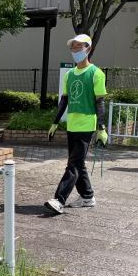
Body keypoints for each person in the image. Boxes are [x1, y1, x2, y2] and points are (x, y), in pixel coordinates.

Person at [44, 34, 108, 214]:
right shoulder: (70, 74)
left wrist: (101, 128)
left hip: (87, 125)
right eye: (73, 48)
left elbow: (100, 102)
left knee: (72, 165)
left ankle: (59, 199)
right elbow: (64, 101)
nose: (76, 51)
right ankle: (87, 196)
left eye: (79, 47)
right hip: (72, 124)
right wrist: (55, 123)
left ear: (88, 49)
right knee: (78, 163)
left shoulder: (96, 73)